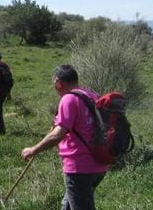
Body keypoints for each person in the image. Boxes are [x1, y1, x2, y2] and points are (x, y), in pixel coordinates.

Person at [21, 65, 110, 210]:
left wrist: (33, 150)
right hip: (99, 163)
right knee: (68, 205)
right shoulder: (91, 95)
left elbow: (58, 134)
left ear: (58, 82)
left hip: (79, 166)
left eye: (54, 85)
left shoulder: (68, 98)